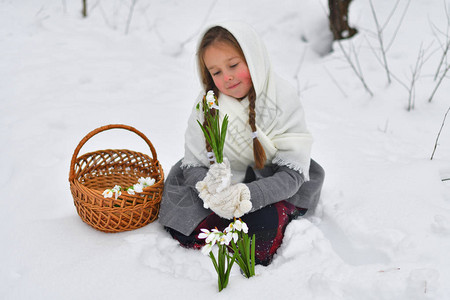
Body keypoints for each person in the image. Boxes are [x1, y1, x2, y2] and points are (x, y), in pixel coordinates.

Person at [159, 21, 325, 266]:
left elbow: (291, 174)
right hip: (220, 184)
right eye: (216, 72)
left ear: (253, 58)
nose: (227, 77)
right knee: (183, 213)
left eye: (234, 65)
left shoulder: (282, 98)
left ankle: (249, 227)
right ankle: (222, 230)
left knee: (261, 224)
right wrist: (210, 189)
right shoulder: (208, 106)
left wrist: (249, 194)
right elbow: (194, 163)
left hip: (270, 183)